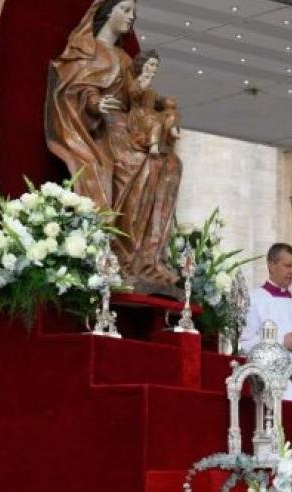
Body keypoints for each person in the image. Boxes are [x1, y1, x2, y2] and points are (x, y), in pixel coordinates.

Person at [46, 0, 183, 290]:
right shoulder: (86, 50)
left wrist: (162, 110)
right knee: (141, 163)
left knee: (170, 163)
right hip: (101, 130)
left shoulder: (123, 56)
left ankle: (149, 259)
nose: (131, 17)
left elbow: (136, 95)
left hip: (129, 126)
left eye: (134, 12)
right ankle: (123, 255)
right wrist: (95, 103)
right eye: (125, 10)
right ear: (106, 13)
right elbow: (72, 91)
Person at [238, 243, 292, 401]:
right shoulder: (253, 300)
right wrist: (280, 342)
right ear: (271, 265)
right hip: (268, 388)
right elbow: (243, 344)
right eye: (287, 266)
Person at [128, 50, 181, 156]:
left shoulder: (151, 88)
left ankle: (172, 131)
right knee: (156, 123)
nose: (155, 68)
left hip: (152, 112)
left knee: (172, 113)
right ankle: (154, 146)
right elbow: (135, 92)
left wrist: (167, 102)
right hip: (140, 115)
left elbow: (157, 101)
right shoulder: (138, 81)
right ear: (143, 65)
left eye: (156, 65)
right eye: (152, 64)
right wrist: (147, 78)